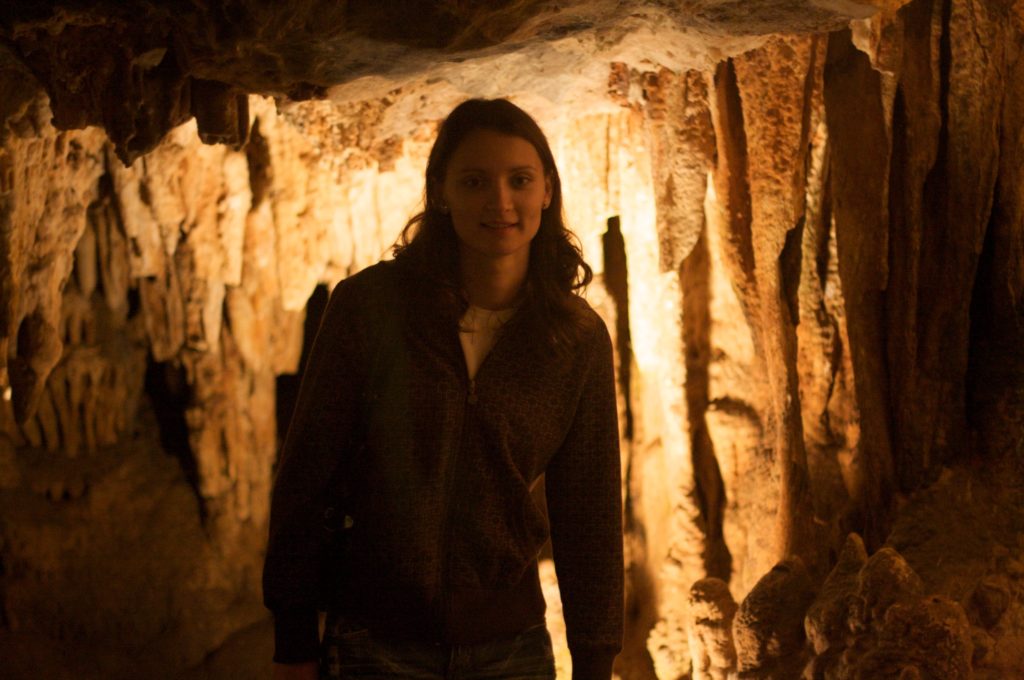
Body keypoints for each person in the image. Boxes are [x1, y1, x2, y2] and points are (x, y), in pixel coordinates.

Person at [263, 98, 623, 680]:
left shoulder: (574, 341)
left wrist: (595, 660)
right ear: (442, 190)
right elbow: (307, 474)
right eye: (476, 181)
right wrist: (293, 637)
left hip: (510, 646)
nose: (500, 202)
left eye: (520, 180)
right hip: (375, 639)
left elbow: (590, 510)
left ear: (547, 191)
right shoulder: (370, 308)